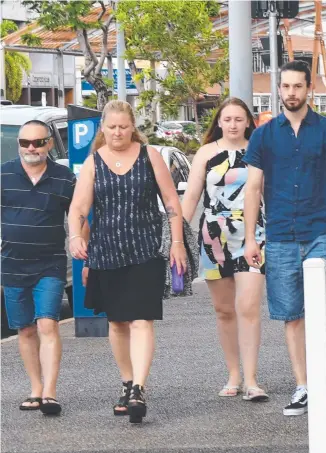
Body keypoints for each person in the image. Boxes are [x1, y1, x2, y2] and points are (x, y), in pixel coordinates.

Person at [243, 60, 326, 416]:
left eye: (298, 86)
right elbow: (253, 188)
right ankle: (303, 386)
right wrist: (250, 238)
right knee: (291, 315)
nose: (291, 93)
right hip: (279, 238)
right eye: (286, 86)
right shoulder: (264, 135)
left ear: (310, 89)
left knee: (324, 311)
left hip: (320, 231)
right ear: (279, 90)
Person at [68, 100, 186, 424]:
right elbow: (78, 208)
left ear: (132, 127)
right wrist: (76, 237)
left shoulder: (150, 157)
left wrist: (177, 243)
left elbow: (172, 202)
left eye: (123, 126)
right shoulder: (93, 163)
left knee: (141, 319)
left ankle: (139, 388)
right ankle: (126, 380)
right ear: (102, 129)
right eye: (111, 127)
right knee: (117, 322)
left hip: (145, 250)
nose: (117, 132)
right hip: (106, 252)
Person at [182, 98, 268, 402]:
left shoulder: (259, 150)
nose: (233, 124)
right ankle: (234, 373)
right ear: (219, 121)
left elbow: (268, 192)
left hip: (253, 234)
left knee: (249, 307)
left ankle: (253, 379)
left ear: (248, 122)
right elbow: (192, 196)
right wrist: (178, 236)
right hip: (214, 235)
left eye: (238, 119)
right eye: (227, 119)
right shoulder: (206, 153)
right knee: (224, 310)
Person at [1, 120, 79, 415]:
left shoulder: (64, 177)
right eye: (25, 143)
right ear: (19, 145)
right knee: (25, 329)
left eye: (37, 142)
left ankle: (50, 392)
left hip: (50, 263)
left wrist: (77, 237)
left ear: (49, 143)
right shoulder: (4, 173)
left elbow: (77, 213)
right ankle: (35, 388)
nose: (31, 148)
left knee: (48, 322)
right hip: (12, 263)